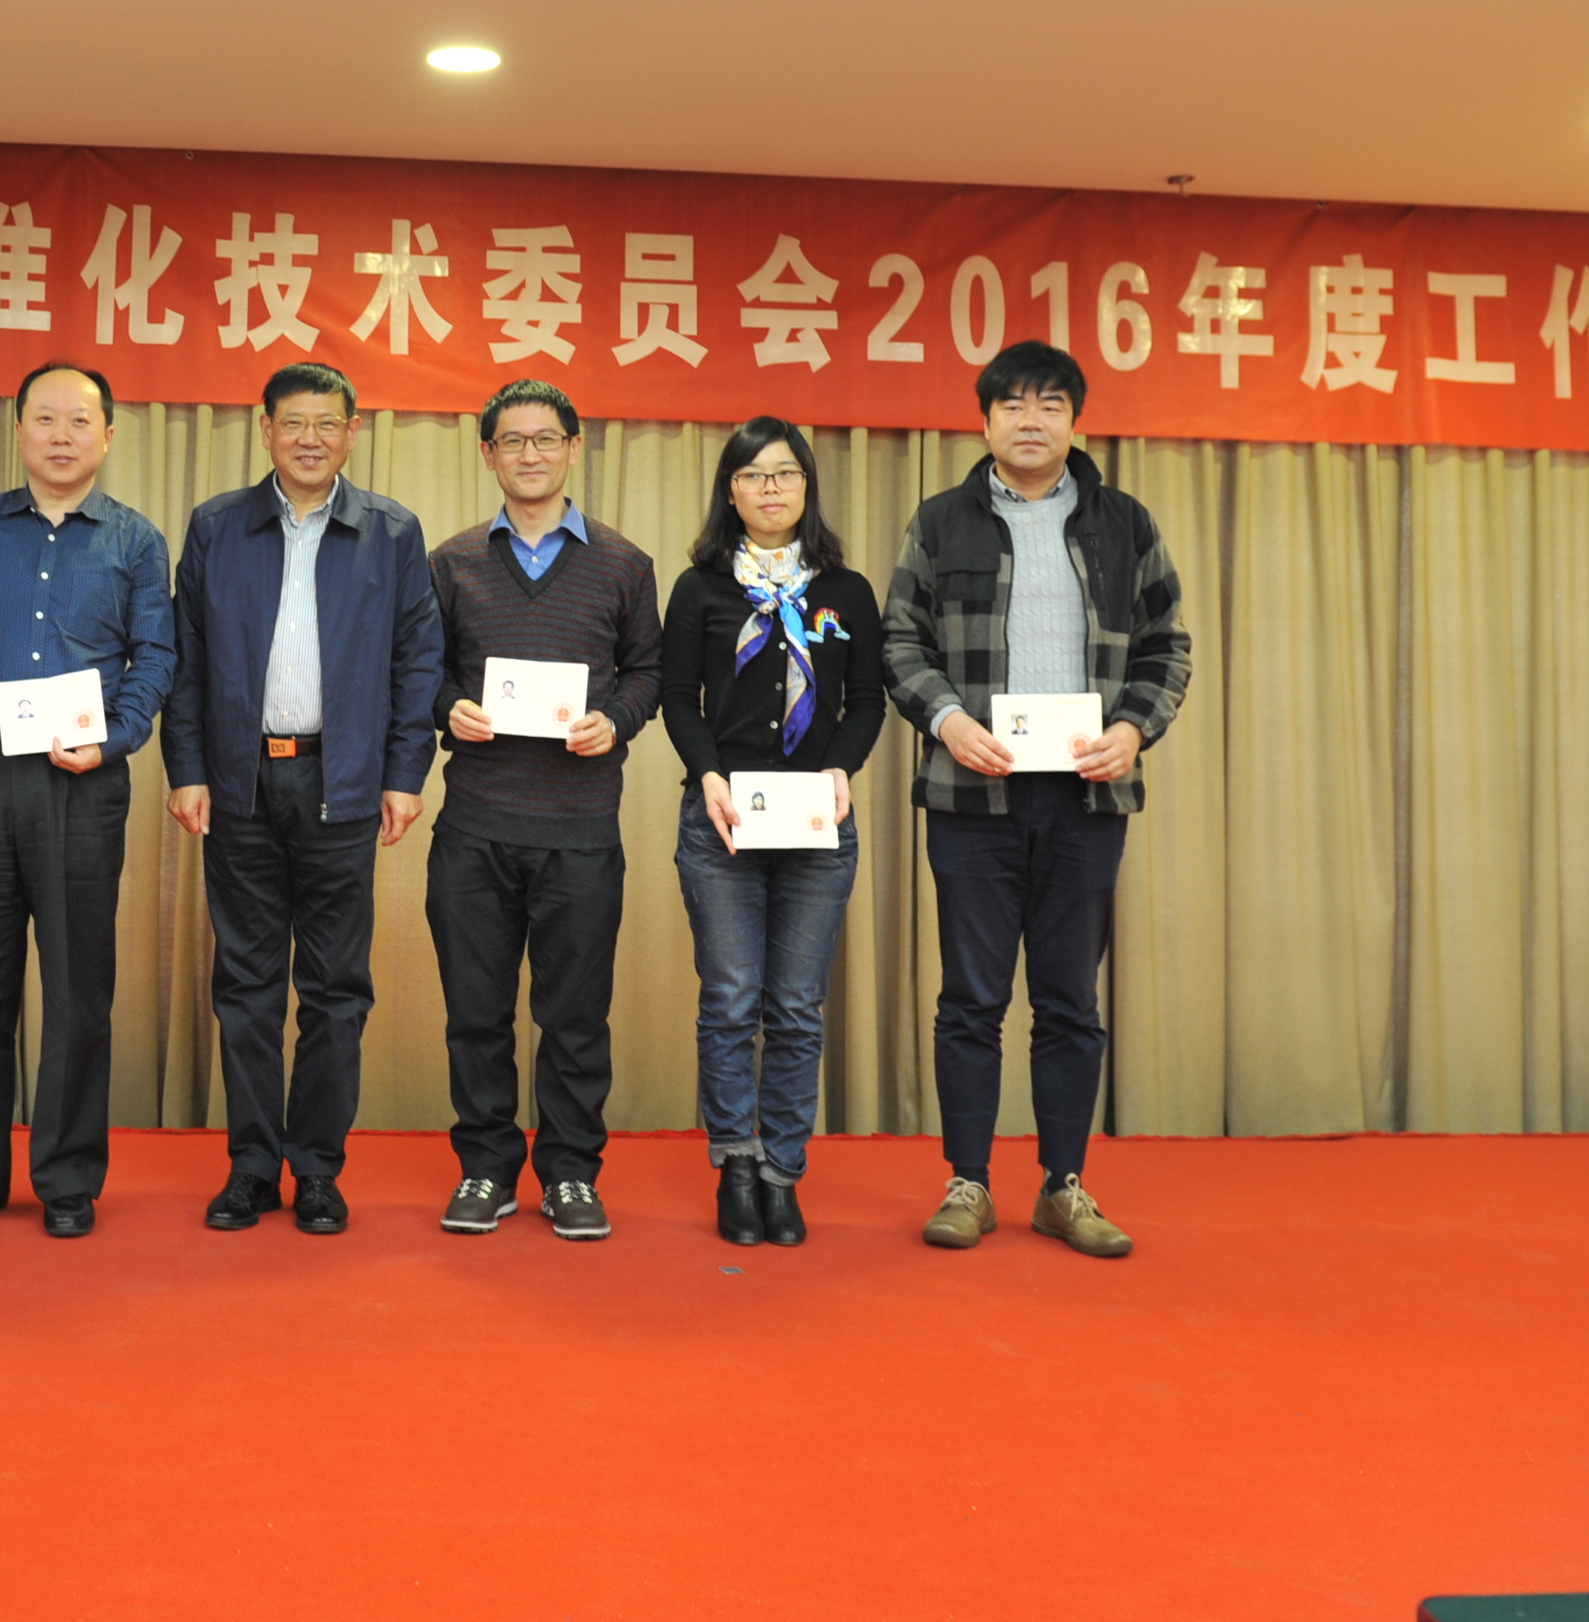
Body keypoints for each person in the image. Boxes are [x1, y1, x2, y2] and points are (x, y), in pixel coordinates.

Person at [881, 340, 1191, 1258]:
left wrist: (1133, 729)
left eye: (1049, 404)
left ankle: (1064, 1187)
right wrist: (947, 722)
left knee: (1068, 1001)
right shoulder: (941, 522)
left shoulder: (1124, 523)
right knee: (970, 1000)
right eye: (1011, 404)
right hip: (971, 796)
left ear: (1074, 421)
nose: (1030, 420)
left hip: (1085, 801)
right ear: (984, 422)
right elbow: (901, 642)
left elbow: (1167, 646)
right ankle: (968, 1183)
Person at [163, 362, 443, 1235]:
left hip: (342, 781)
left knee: (334, 987)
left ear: (353, 432)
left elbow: (418, 662)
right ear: (265, 429)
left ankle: (318, 1168)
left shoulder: (392, 532)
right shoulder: (217, 526)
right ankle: (252, 1166)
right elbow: (185, 659)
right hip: (240, 782)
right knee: (245, 984)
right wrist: (187, 768)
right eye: (293, 423)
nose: (310, 439)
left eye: (327, 423)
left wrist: (404, 775)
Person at [0, 362, 176, 1239]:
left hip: (81, 770)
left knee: (77, 987)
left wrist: (117, 739)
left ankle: (67, 1177)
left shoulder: (136, 541)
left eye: (80, 420)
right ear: (19, 429)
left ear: (108, 436)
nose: (62, 435)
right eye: (46, 419)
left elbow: (156, 657)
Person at [425, 380, 663, 1241]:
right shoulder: (451, 562)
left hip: (580, 831)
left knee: (574, 1018)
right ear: (487, 454)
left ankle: (569, 1174)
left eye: (546, 439)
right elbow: (423, 670)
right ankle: (486, 1168)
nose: (530, 454)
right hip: (475, 827)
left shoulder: (623, 563)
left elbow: (648, 673)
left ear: (573, 446)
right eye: (512, 441)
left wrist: (617, 719)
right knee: (476, 1014)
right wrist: (448, 707)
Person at [659, 417, 886, 1248]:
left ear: (806, 486)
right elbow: (677, 697)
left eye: (785, 473)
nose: (770, 489)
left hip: (816, 822)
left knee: (795, 1008)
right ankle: (736, 1166)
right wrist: (708, 776)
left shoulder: (846, 591)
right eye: (752, 475)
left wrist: (842, 770)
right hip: (723, 819)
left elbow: (867, 701)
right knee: (730, 1002)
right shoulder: (700, 589)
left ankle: (783, 1173)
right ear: (730, 491)